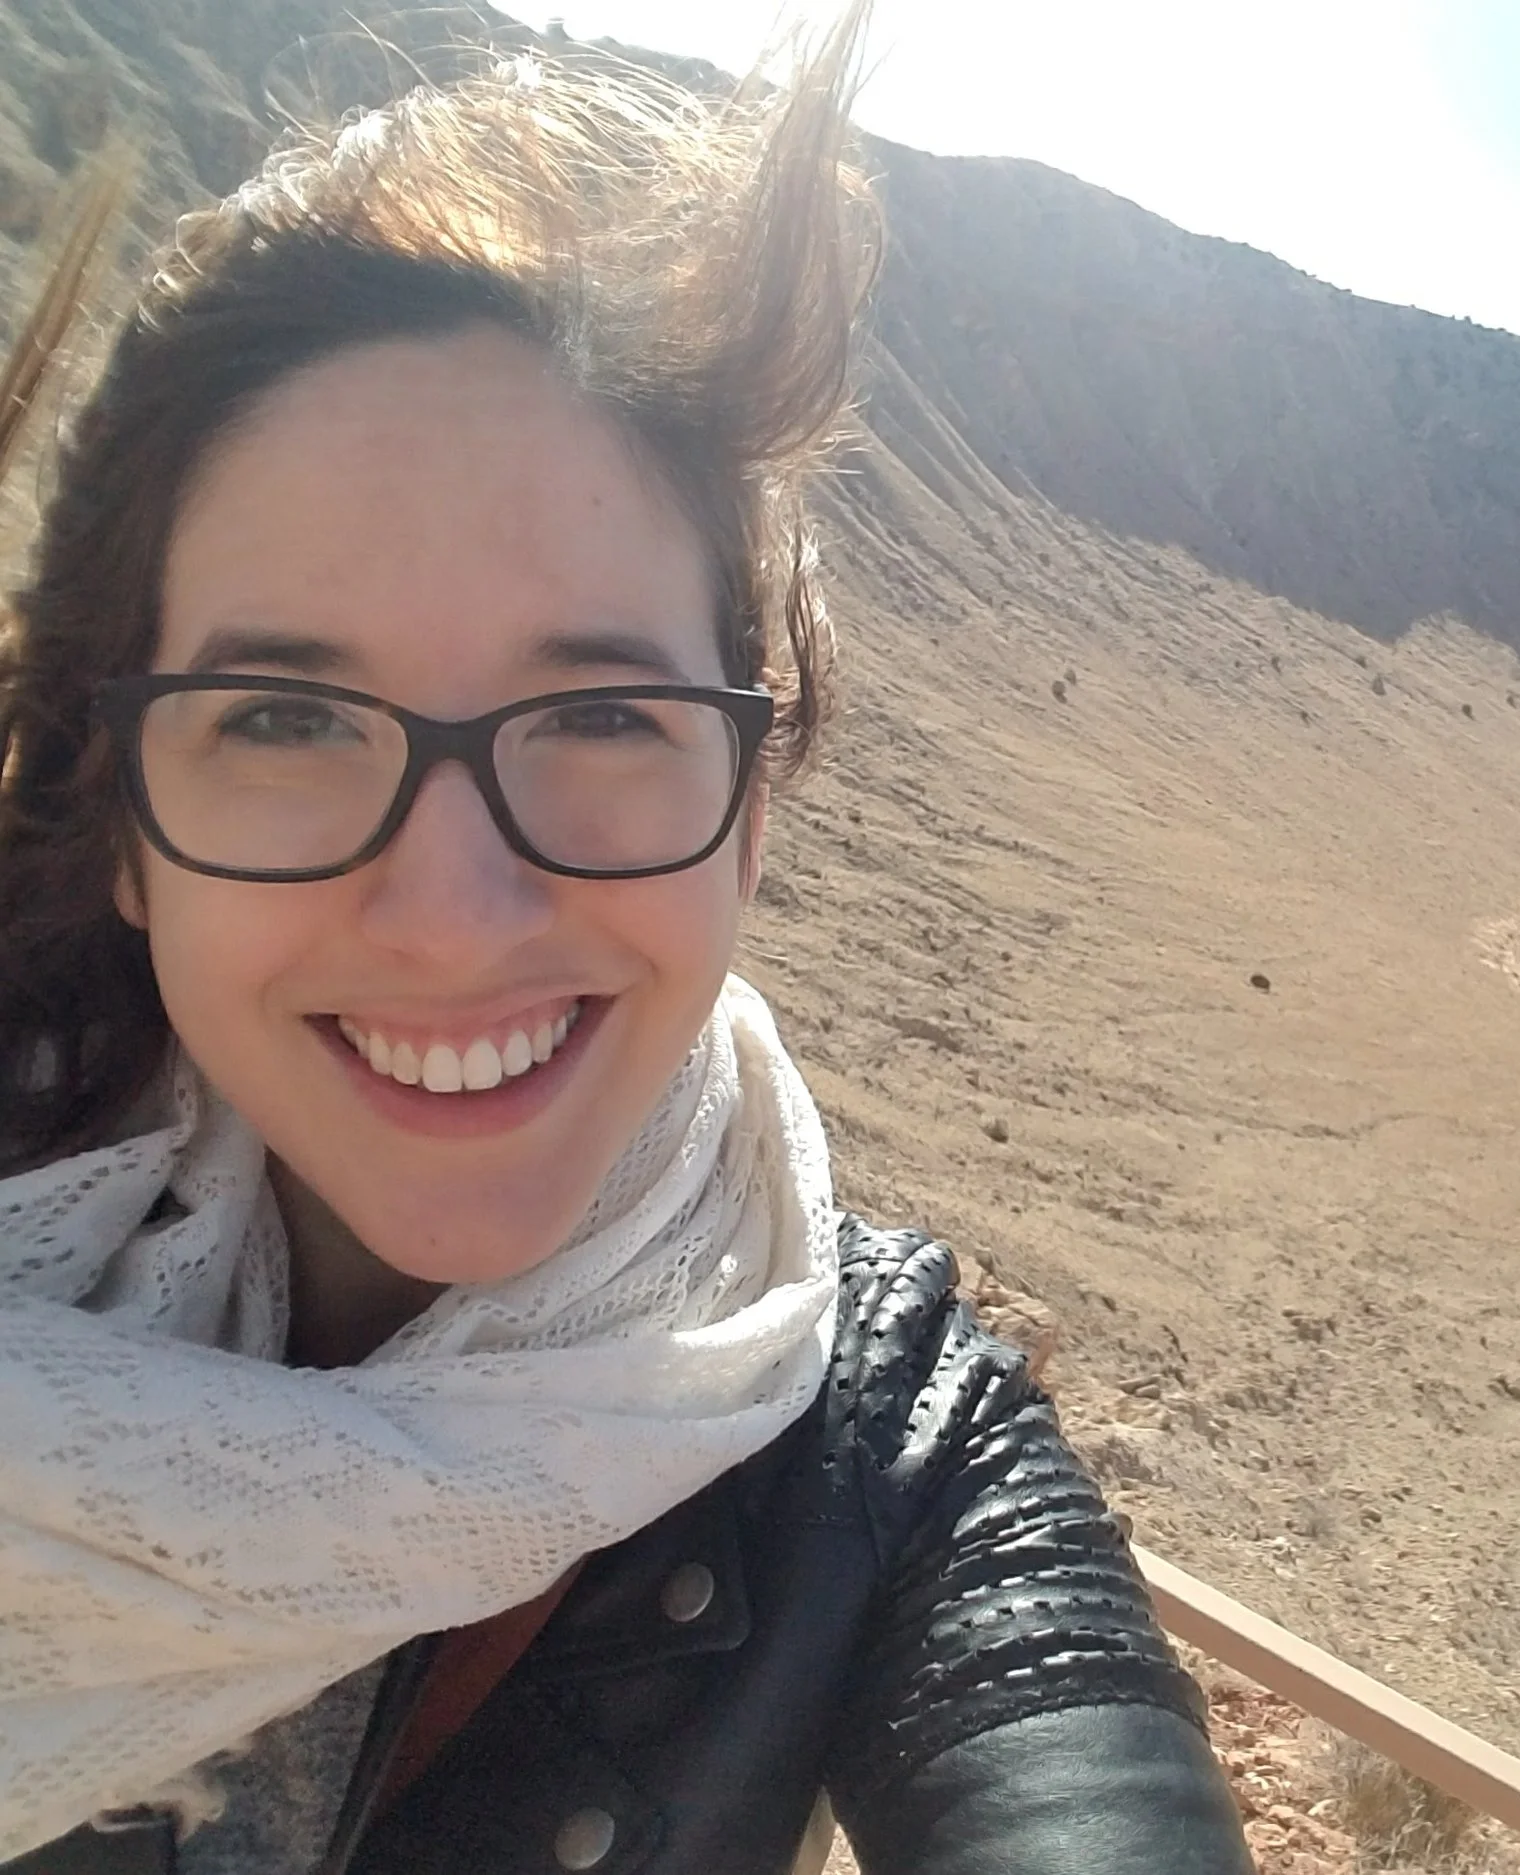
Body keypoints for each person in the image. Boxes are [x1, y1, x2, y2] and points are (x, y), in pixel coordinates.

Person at [0, 19, 1256, 1875]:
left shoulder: (892, 1458)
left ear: (750, 809)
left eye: (599, 716)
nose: (451, 912)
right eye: (282, 717)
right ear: (123, 820)